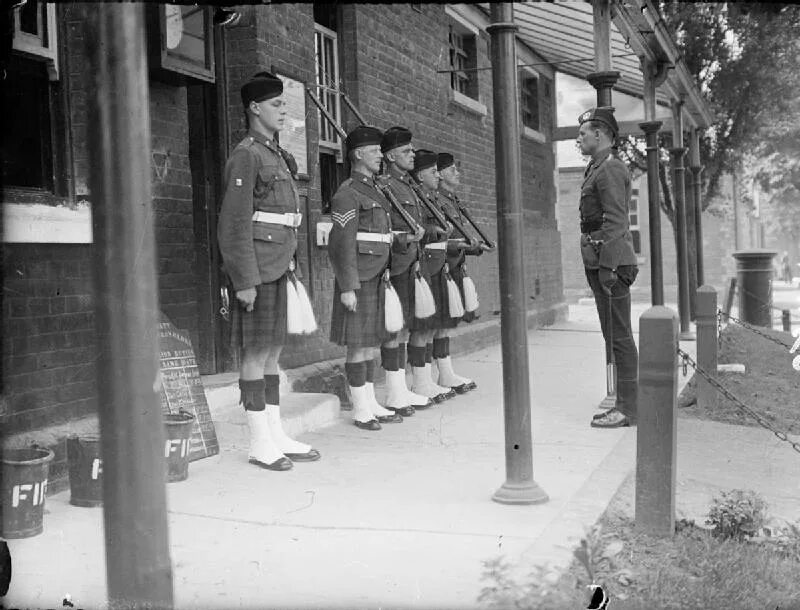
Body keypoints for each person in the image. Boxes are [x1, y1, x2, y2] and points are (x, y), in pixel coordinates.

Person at [217, 71, 320, 469]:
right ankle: (259, 442)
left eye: (283, 104)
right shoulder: (247, 154)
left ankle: (276, 433)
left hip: (280, 265)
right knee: (256, 352)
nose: (283, 110)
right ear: (254, 108)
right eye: (276, 104)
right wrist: (243, 280)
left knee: (274, 351)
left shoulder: (276, 154)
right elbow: (233, 223)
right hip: (257, 269)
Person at [328, 125, 407, 430]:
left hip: (377, 275)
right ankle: (360, 408)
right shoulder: (347, 193)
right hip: (359, 277)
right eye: (375, 152)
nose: (380, 157)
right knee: (357, 344)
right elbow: (341, 244)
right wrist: (347, 286)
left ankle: (371, 401)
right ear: (358, 154)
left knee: (372, 341)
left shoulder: (375, 190)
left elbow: (379, 235)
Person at [576, 107, 639, 429]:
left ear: (600, 134)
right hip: (601, 262)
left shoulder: (610, 169)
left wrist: (608, 267)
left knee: (620, 337)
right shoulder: (597, 167)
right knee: (613, 335)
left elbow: (615, 221)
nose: (578, 139)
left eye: (583, 134)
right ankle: (626, 404)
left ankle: (629, 408)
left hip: (611, 264)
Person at [376, 127, 442, 409]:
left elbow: (415, 225)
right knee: (395, 329)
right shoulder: (385, 186)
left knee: (409, 326)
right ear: (390, 156)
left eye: (412, 150)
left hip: (415, 263)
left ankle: (410, 385)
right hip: (397, 263)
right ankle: (395, 390)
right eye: (406, 151)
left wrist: (430, 230)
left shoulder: (408, 186)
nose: (412, 155)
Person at [408, 149, 462, 398]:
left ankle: (439, 375)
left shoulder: (433, 197)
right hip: (427, 263)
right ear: (420, 175)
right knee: (424, 326)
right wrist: (437, 230)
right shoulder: (418, 198)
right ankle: (421, 380)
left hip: (440, 263)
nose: (438, 177)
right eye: (433, 172)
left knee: (437, 324)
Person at [434, 152, 484, 392]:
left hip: (454, 263)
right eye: (452, 169)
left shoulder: (451, 200)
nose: (458, 173)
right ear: (440, 174)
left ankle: (446, 373)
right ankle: (442, 374)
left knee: (446, 322)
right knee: (439, 322)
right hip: (441, 264)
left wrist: (473, 247)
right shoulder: (436, 200)